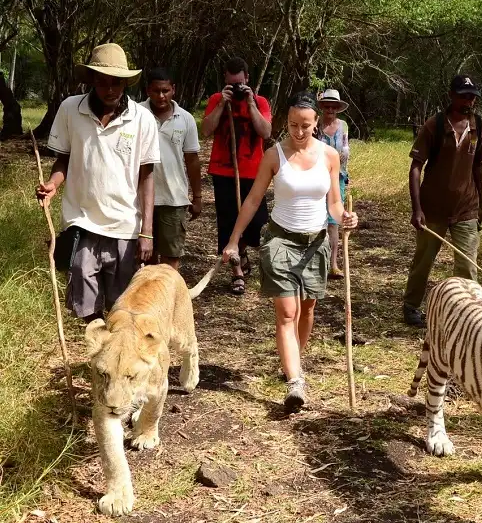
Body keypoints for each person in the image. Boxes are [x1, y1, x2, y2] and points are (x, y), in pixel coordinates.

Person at [221, 93, 358, 412]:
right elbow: (254, 200)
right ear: (286, 123)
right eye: (293, 125)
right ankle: (296, 381)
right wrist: (233, 239)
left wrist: (346, 218)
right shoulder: (273, 155)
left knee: (307, 309)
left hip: (316, 243)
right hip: (280, 240)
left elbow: (334, 203)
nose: (299, 132)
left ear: (316, 125)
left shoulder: (329, 155)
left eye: (306, 126)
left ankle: (292, 361)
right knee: (287, 313)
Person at [36, 43, 160, 321]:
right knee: (84, 295)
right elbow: (64, 160)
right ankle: (97, 343)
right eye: (103, 82)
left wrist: (147, 231)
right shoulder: (70, 109)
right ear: (92, 80)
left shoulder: (142, 119)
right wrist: (54, 184)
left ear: (125, 83)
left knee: (123, 304)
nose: (110, 89)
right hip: (82, 221)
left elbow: (147, 175)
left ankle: (117, 357)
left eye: (116, 83)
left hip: (125, 225)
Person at [402, 74, 482, 328]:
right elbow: (416, 167)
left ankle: (466, 315)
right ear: (451, 95)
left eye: (472, 96)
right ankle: (411, 305)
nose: (468, 101)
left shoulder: (478, 126)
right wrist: (417, 209)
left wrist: (480, 207)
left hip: (466, 208)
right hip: (433, 209)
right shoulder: (435, 125)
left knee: (467, 265)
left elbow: (478, 168)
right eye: (463, 95)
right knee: (424, 260)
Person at [201, 57, 272, 295]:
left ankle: (242, 251)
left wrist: (250, 103)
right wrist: (222, 103)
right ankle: (236, 271)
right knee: (229, 221)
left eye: (240, 83)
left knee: (256, 223)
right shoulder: (216, 100)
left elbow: (266, 131)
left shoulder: (260, 102)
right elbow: (206, 130)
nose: (238, 88)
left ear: (248, 80)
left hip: (253, 172)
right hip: (223, 170)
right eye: (233, 84)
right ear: (225, 81)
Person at [141, 68, 202, 269]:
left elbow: (192, 159)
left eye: (165, 90)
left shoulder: (185, 119)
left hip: (173, 199)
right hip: (139, 197)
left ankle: (169, 297)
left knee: (170, 258)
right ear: (148, 90)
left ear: (173, 90)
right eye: (156, 90)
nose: (161, 96)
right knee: (143, 257)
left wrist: (197, 197)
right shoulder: (136, 115)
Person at [317, 89, 350, 279]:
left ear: (338, 108)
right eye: (327, 106)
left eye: (333, 106)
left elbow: (345, 152)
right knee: (316, 220)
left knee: (334, 222)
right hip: (316, 177)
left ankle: (333, 264)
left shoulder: (343, 126)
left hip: (337, 177)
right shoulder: (315, 124)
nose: (330, 109)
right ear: (322, 107)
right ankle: (316, 262)